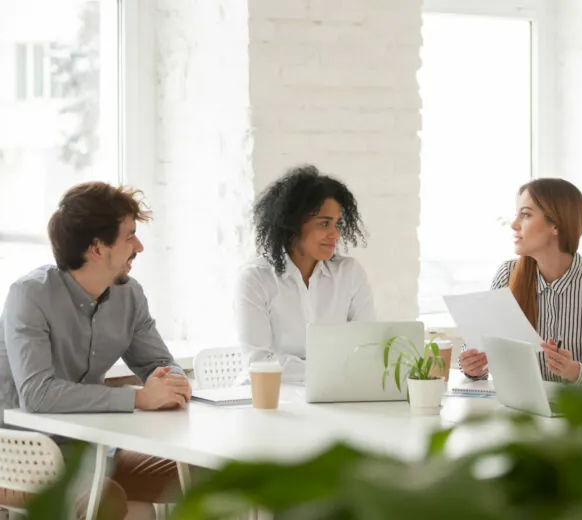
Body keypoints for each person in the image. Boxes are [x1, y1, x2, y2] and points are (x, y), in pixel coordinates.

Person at [0, 181, 191, 519]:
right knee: (106, 500)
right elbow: (37, 395)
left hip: (94, 449)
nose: (140, 247)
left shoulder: (129, 296)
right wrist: (139, 398)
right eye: (130, 236)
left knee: (193, 474)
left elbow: (160, 363)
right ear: (98, 248)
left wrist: (172, 382)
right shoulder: (29, 296)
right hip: (21, 455)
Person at [458, 178, 582, 384]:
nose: (514, 224)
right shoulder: (507, 274)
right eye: (516, 214)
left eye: (525, 214)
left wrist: (573, 370)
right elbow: (482, 353)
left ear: (556, 224)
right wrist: (472, 366)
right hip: (518, 409)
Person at [235, 164, 375, 383]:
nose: (335, 234)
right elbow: (259, 361)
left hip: (333, 392)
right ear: (292, 225)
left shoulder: (350, 273)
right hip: (268, 396)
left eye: (337, 224)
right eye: (324, 224)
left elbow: (367, 347)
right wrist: (333, 369)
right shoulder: (256, 279)